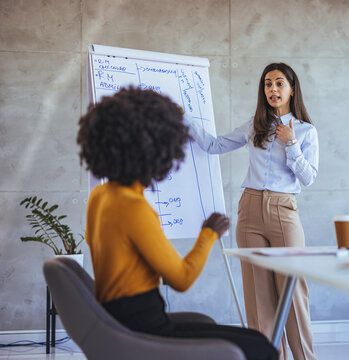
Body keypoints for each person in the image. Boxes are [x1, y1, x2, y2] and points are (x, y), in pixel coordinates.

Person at [77, 87, 278, 360]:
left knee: (250, 338)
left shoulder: (100, 195)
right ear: (156, 151)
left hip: (117, 319)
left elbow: (98, 243)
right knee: (261, 347)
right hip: (145, 328)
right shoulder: (133, 206)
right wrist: (209, 233)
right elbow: (181, 279)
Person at [185, 63, 318, 360]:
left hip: (284, 211)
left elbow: (308, 178)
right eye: (267, 84)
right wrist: (184, 119)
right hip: (249, 210)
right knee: (258, 297)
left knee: (293, 293)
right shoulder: (253, 125)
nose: (272, 89)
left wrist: (291, 144)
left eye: (279, 83)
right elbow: (214, 145)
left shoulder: (307, 131)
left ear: (292, 89)